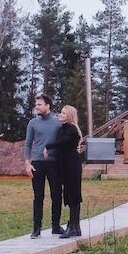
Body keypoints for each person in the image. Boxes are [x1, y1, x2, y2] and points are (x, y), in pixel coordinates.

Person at [23, 93, 63, 238]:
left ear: (48, 106)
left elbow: (65, 141)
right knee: (38, 196)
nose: (37, 107)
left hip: (55, 164)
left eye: (39, 104)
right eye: (36, 104)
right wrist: (27, 163)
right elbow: (27, 144)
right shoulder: (33, 123)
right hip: (37, 164)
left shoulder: (58, 123)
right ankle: (36, 229)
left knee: (57, 195)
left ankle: (56, 226)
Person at [47, 104, 85, 238]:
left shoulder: (72, 129)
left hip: (72, 165)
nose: (60, 115)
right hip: (65, 165)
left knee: (74, 195)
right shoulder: (63, 128)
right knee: (69, 194)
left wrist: (48, 146)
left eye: (63, 113)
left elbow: (64, 142)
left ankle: (73, 225)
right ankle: (75, 226)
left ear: (69, 116)